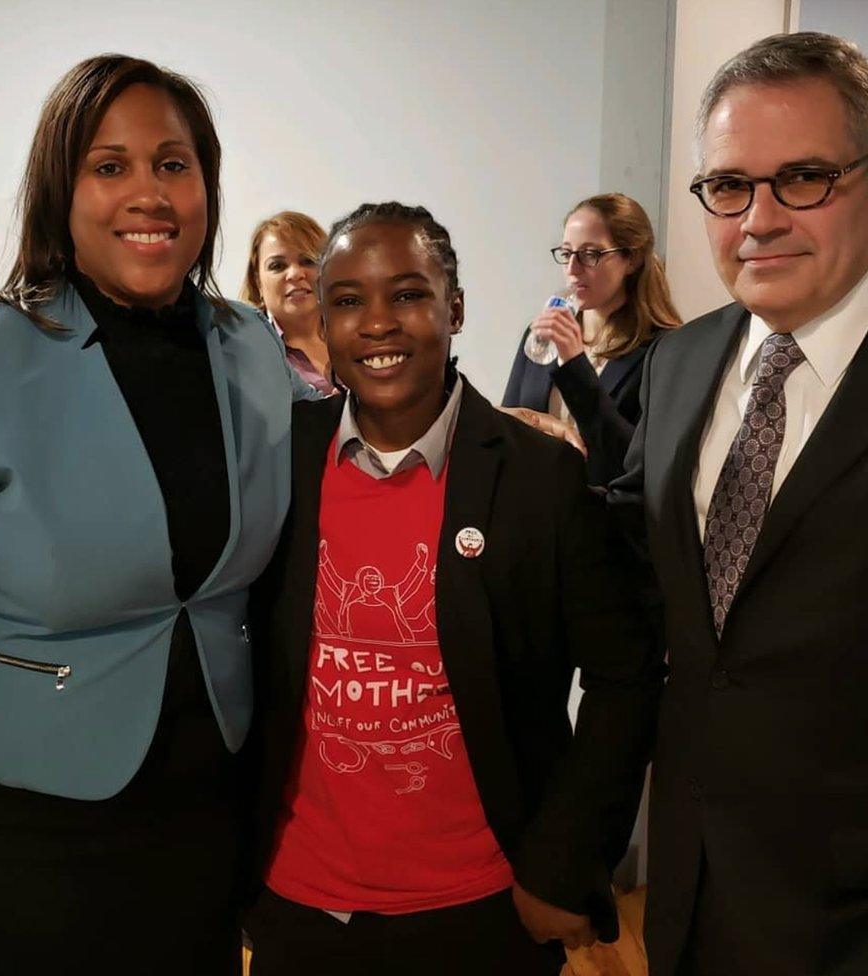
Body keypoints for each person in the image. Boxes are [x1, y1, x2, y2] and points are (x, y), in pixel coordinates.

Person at [0, 55, 309, 976]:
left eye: (173, 163)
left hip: (209, 817)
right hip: (33, 830)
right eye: (108, 165)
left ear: (207, 184)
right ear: (60, 191)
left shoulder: (250, 350)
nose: (148, 193)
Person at [246, 202, 665, 976]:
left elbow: (626, 676)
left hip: (482, 909)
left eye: (407, 294)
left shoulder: (541, 480)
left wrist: (562, 863)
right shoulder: (280, 467)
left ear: (457, 309)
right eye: (347, 301)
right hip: (299, 905)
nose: (377, 324)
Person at [609, 32, 868, 976]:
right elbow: (630, 564)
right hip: (692, 892)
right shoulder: (678, 362)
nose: (759, 218)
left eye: (804, 177)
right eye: (728, 185)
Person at [503, 193, 681, 486]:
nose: (572, 269)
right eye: (566, 253)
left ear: (632, 259)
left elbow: (637, 465)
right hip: (536, 514)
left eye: (590, 254)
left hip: (604, 521)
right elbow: (507, 428)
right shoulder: (544, 333)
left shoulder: (664, 350)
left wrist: (575, 366)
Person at [241, 210, 338, 395]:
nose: (295, 274)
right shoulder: (245, 356)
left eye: (308, 261)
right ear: (257, 282)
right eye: (278, 266)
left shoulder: (358, 337)